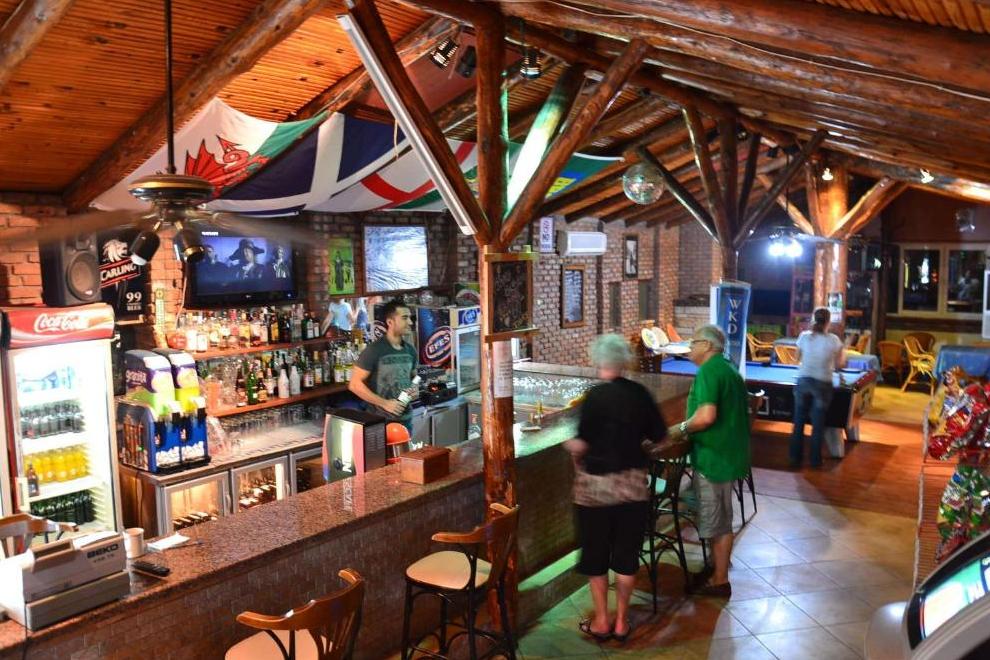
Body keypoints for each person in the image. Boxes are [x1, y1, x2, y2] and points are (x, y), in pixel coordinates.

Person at [563, 334, 666, 643]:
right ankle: (621, 621)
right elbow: (660, 435)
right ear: (624, 361)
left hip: (594, 490)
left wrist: (572, 447)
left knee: (596, 554)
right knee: (626, 554)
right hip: (633, 487)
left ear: (599, 361)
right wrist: (637, 445)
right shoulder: (640, 394)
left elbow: (583, 442)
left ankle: (602, 621)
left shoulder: (594, 397)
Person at [666, 324, 750, 598]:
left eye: (694, 342)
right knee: (716, 514)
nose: (690, 347)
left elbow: (706, 417)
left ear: (708, 346)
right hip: (729, 454)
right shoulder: (728, 368)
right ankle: (716, 567)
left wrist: (679, 429)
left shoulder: (709, 371)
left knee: (718, 522)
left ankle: (719, 580)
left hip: (714, 458)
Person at [790, 307, 847, 468]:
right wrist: (843, 352)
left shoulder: (804, 336)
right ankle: (815, 461)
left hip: (803, 381)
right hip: (823, 384)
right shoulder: (834, 340)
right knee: (818, 425)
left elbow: (796, 358)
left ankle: (795, 458)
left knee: (798, 422)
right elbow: (840, 364)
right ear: (828, 322)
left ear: (813, 319)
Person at [349, 299, 417, 430]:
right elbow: (354, 385)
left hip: (406, 421)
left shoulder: (410, 350)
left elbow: (414, 378)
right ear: (390, 322)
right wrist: (385, 403)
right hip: (380, 422)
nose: (410, 322)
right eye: (405, 318)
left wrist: (415, 388)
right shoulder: (374, 350)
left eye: (410, 318)